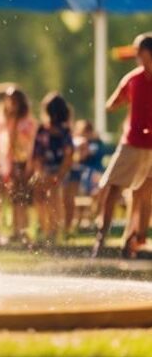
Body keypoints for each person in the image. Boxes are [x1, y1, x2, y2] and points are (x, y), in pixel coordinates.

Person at [93, 34, 152, 258]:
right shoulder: (133, 79)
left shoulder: (134, 78)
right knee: (119, 188)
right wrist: (126, 99)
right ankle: (109, 237)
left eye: (139, 51)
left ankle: (131, 241)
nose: (136, 55)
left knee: (138, 193)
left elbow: (110, 106)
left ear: (146, 53)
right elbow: (111, 105)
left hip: (139, 145)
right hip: (135, 143)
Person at [28, 93, 74, 246]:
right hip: (45, 169)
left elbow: (68, 156)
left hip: (59, 170)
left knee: (54, 195)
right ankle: (45, 228)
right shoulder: (43, 129)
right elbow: (37, 154)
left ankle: (54, 230)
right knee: (39, 194)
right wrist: (39, 172)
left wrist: (59, 176)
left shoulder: (64, 131)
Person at [4, 88, 36, 244]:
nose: (9, 103)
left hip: (25, 163)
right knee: (15, 198)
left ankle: (24, 230)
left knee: (23, 198)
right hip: (14, 162)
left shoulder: (27, 122)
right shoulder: (11, 120)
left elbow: (31, 145)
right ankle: (16, 230)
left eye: (12, 100)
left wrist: (30, 165)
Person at [64, 120, 105, 233]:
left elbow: (88, 155)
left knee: (95, 183)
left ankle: (93, 220)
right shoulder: (75, 142)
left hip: (93, 175)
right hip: (80, 176)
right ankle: (76, 222)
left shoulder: (95, 144)